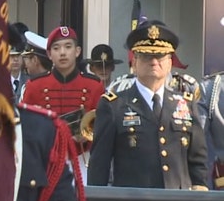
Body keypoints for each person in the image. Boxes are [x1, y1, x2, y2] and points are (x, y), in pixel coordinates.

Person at [89, 20, 207, 189]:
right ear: (134, 62)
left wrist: (200, 193)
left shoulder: (186, 103)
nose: (154, 62)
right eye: (146, 56)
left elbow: (198, 161)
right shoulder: (114, 106)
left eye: (160, 56)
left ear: (170, 63)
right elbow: (99, 165)